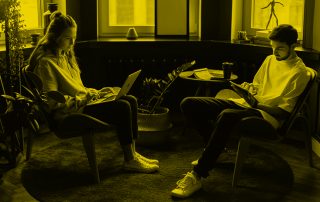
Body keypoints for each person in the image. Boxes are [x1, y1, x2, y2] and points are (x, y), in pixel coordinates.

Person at [171, 24, 310, 198]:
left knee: (226, 115)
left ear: (293, 46)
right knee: (188, 104)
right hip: (248, 104)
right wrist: (248, 88)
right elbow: (258, 85)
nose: (274, 53)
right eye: (273, 48)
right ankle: (216, 150)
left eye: (280, 49)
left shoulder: (300, 73)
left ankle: (197, 175)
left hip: (266, 116)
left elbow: (283, 113)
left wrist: (257, 105)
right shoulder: (270, 60)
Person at [28, 11, 159, 173]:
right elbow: (52, 103)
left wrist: (96, 93)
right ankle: (129, 160)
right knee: (122, 107)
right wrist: (84, 98)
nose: (72, 42)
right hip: (71, 113)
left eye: (74, 37)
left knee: (130, 99)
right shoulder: (46, 64)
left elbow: (78, 89)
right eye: (68, 38)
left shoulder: (65, 56)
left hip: (84, 104)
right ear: (55, 38)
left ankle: (132, 153)